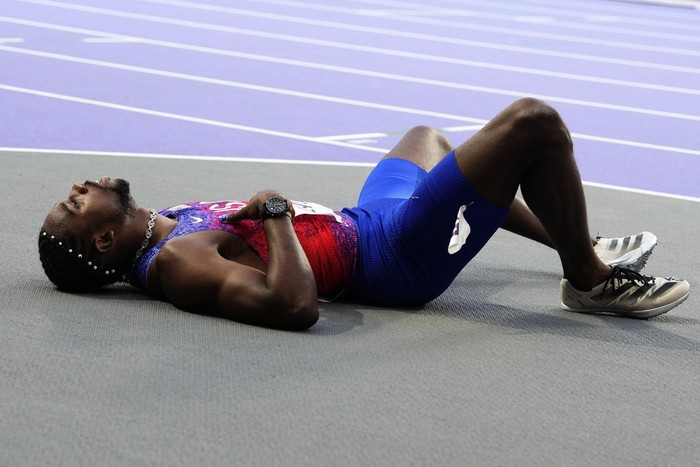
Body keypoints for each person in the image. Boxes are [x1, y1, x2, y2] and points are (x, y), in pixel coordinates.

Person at [38, 98, 690, 330]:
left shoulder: (165, 222)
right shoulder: (177, 260)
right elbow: (293, 306)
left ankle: (580, 239)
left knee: (425, 137)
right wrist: (272, 213)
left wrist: (276, 216)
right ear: (101, 237)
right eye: (75, 202)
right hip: (393, 257)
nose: (79, 185)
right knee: (532, 125)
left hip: (364, 218)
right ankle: (591, 278)